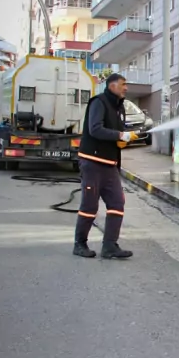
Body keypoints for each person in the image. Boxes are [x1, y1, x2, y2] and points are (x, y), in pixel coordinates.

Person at [73, 73, 138, 259]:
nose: (126, 88)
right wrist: (119, 136)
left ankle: (110, 246)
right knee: (90, 205)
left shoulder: (118, 107)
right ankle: (80, 244)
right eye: (123, 84)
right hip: (92, 163)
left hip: (110, 165)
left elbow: (114, 132)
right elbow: (95, 129)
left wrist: (123, 138)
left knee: (117, 203)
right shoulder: (99, 102)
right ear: (112, 86)